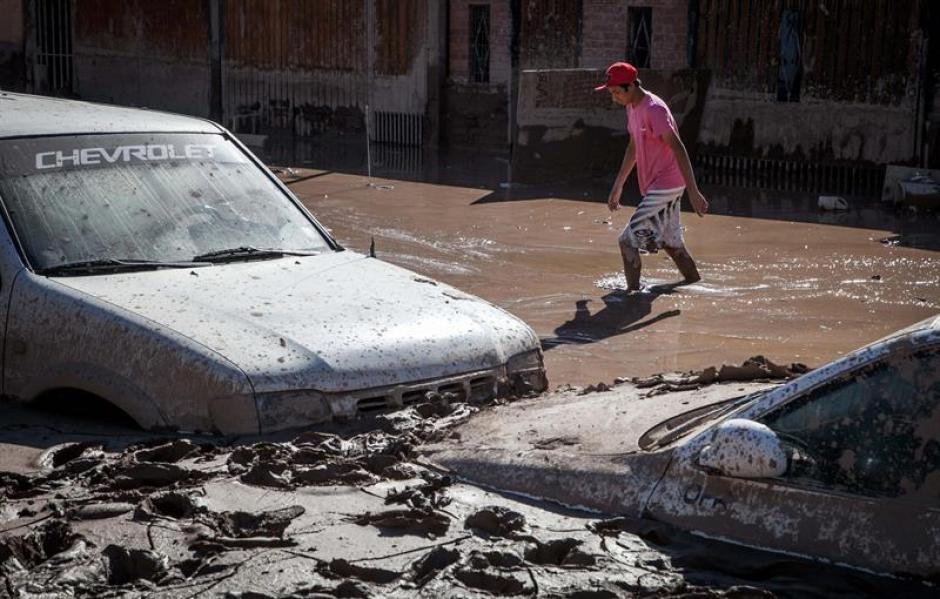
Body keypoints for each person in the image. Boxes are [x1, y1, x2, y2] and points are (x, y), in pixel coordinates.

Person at [595, 62, 708, 292]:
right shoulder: (632, 107)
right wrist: (618, 186)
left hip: (666, 185)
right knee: (671, 244)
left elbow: (679, 148)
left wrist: (693, 192)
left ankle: (632, 297)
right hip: (659, 185)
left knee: (627, 241)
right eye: (611, 93)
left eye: (616, 92)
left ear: (631, 87)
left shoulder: (655, 110)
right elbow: (633, 147)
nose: (614, 98)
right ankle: (697, 286)